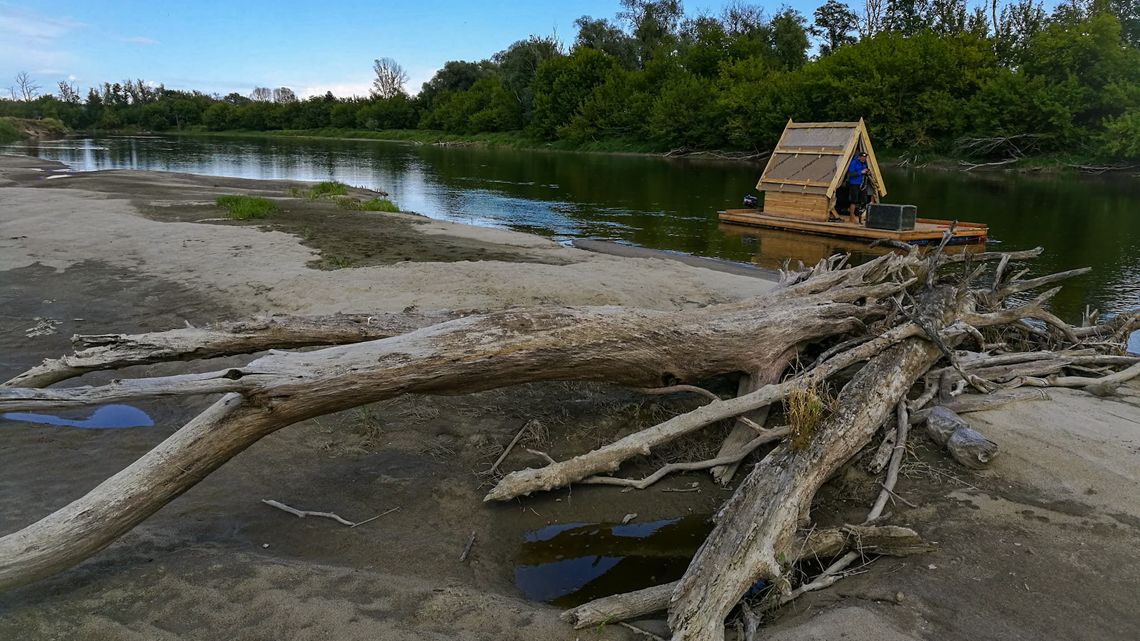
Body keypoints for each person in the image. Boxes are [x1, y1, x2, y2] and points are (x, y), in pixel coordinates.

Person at [842, 151, 870, 224]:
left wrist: (867, 172)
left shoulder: (864, 164)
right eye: (862, 157)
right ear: (859, 157)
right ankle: (851, 216)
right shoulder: (853, 163)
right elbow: (850, 174)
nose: (864, 159)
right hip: (854, 184)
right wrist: (860, 172)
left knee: (862, 200)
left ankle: (860, 217)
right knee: (853, 201)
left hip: (861, 184)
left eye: (865, 158)